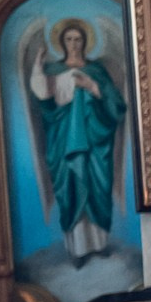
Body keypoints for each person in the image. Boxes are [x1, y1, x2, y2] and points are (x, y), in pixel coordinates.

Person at [25, 20, 124, 260]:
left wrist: (90, 86)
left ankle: (99, 245)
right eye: (68, 39)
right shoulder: (54, 71)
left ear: (85, 41)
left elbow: (116, 105)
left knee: (96, 189)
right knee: (71, 189)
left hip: (95, 143)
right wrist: (38, 68)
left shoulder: (96, 71)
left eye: (78, 39)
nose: (74, 44)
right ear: (62, 43)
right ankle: (78, 249)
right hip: (64, 142)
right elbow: (45, 105)